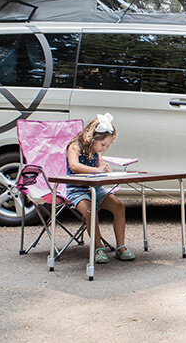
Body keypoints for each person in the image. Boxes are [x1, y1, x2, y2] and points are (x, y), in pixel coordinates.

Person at [66, 113, 136, 263]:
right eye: (103, 144)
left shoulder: (95, 152)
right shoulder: (74, 146)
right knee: (91, 212)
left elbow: (99, 167)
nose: (104, 149)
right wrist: (96, 171)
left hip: (96, 189)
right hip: (77, 190)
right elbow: (74, 166)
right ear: (93, 138)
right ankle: (98, 248)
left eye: (107, 146)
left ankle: (121, 247)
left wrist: (104, 169)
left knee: (119, 206)